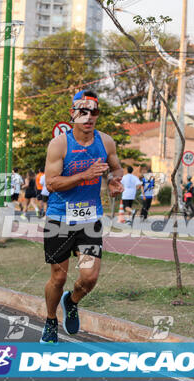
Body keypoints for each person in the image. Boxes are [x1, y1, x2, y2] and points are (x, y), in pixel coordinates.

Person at [41, 90, 123, 344]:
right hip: (59, 218)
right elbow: (51, 184)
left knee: (89, 277)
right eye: (82, 111)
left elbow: (116, 167)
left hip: (89, 218)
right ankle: (51, 320)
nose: (88, 117)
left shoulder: (106, 142)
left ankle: (72, 301)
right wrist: (84, 175)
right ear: (73, 114)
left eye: (94, 112)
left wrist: (112, 180)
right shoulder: (60, 144)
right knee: (59, 277)